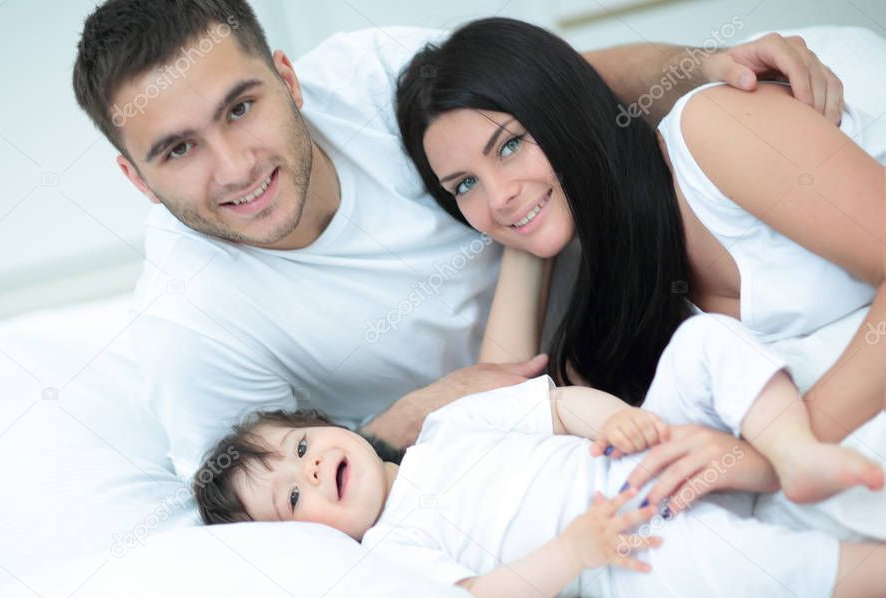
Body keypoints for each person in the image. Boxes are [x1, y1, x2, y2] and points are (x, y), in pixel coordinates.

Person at [72, 0, 848, 483]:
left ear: (288, 79)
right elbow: (253, 500)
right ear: (136, 179)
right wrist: (390, 431)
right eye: (177, 150)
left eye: (240, 108)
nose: (235, 167)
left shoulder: (373, 74)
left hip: (629, 263)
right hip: (577, 372)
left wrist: (699, 64)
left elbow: (552, 84)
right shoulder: (191, 329)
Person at [395, 17, 886, 503]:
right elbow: (503, 431)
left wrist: (773, 451)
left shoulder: (713, 129)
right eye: (464, 184)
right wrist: (522, 241)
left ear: (567, 111)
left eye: (510, 144)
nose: (497, 195)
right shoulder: (610, 310)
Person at [193, 314, 885, 598]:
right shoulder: (391, 553)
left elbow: (556, 407)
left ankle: (793, 453)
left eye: (302, 447)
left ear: (332, 427)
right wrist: (572, 552)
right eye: (290, 494)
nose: (309, 470)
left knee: (701, 340)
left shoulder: (446, 426)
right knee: (746, 575)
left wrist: (610, 418)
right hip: (621, 549)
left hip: (651, 451)